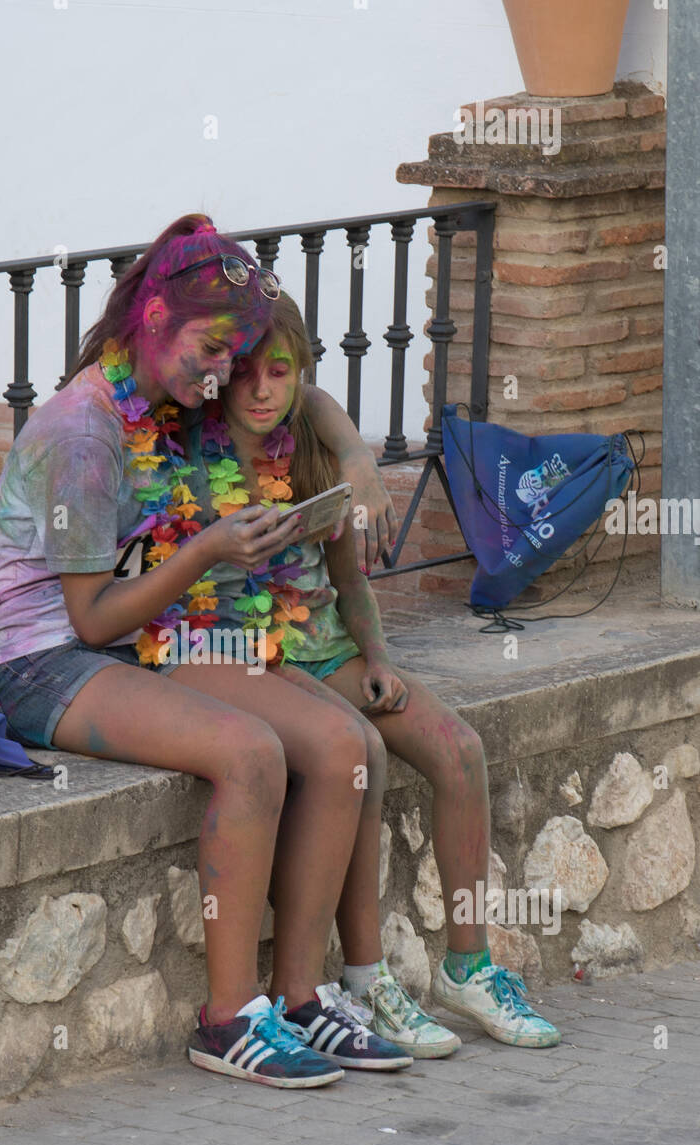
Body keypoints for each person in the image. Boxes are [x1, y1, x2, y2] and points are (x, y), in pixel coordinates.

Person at [0, 213, 410, 1089]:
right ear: (153, 324)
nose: (221, 376)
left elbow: (301, 386)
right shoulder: (82, 434)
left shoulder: (172, 394)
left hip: (151, 636)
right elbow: (90, 621)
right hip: (50, 663)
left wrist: (357, 462)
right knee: (250, 754)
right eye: (211, 351)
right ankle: (226, 1019)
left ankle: (299, 1000)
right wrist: (207, 550)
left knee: (343, 747)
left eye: (230, 357)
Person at [203, 291, 561, 1054]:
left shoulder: (310, 446)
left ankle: (468, 966)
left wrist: (376, 659)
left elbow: (350, 583)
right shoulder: (191, 456)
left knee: (460, 751)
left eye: (280, 371)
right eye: (246, 375)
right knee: (357, 759)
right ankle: (365, 981)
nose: (263, 389)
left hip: (329, 650)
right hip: (256, 661)